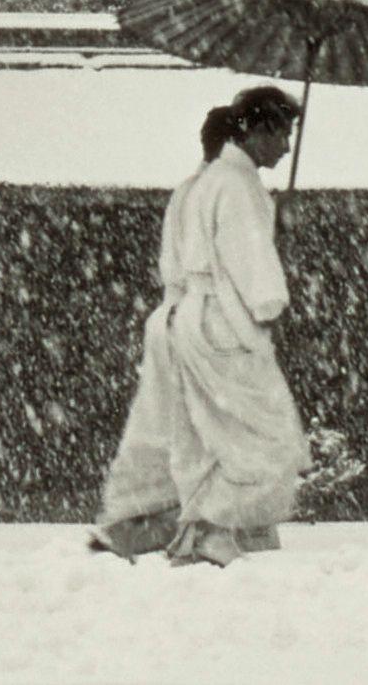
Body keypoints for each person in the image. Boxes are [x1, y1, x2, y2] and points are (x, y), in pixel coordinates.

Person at [91, 84, 311, 566]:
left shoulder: (199, 185)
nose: (286, 146)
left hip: (183, 311)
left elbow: (186, 257)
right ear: (258, 130)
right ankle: (215, 526)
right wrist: (272, 297)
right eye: (282, 133)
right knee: (268, 437)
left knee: (184, 431)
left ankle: (140, 521)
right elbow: (255, 273)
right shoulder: (237, 185)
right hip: (219, 320)